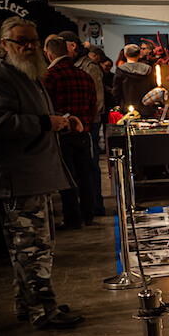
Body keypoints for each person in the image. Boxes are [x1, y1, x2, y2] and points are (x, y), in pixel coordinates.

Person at [0, 16, 84, 330]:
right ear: (5, 44)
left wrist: (61, 120)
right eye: (22, 40)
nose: (30, 46)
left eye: (33, 39)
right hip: (16, 180)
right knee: (32, 248)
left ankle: (28, 304)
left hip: (34, 175)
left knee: (32, 247)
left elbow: (33, 116)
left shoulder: (26, 73)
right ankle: (43, 311)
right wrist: (48, 122)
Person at [43, 36, 96, 230]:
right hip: (82, 133)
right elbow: (93, 106)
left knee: (67, 176)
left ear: (48, 54)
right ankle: (88, 214)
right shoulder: (84, 75)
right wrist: (85, 124)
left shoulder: (49, 76)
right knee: (84, 174)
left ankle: (72, 218)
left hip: (61, 134)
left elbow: (44, 107)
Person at [63, 32, 106, 217]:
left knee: (90, 166)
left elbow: (98, 100)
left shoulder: (89, 66)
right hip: (76, 126)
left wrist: (87, 122)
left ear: (73, 45)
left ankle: (95, 205)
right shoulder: (75, 66)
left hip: (88, 125)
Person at [112, 43, 159, 116]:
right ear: (139, 54)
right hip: (146, 108)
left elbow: (116, 90)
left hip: (127, 109)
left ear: (125, 55)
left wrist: (120, 103)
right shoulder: (148, 69)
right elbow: (153, 87)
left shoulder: (121, 70)